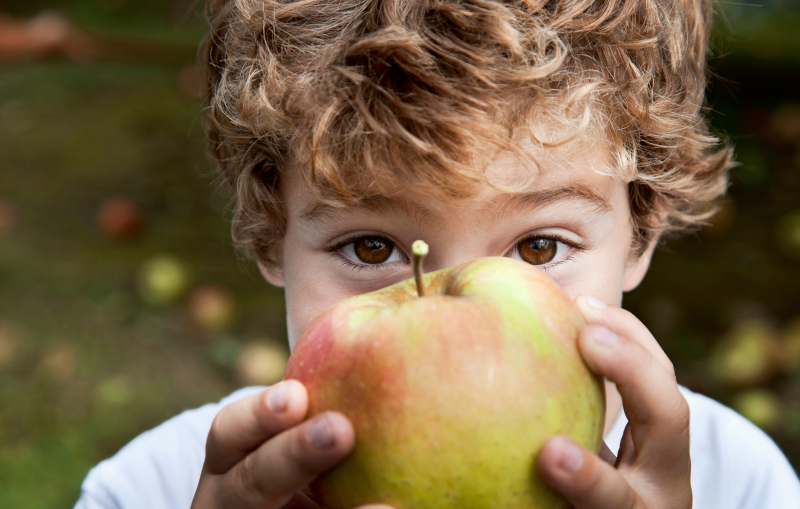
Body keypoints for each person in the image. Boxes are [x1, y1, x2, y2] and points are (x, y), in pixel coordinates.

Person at [74, 0, 800, 508]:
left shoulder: (736, 485)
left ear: (640, 229)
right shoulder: (153, 490)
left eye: (539, 245)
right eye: (370, 245)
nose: (454, 318)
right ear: (273, 231)